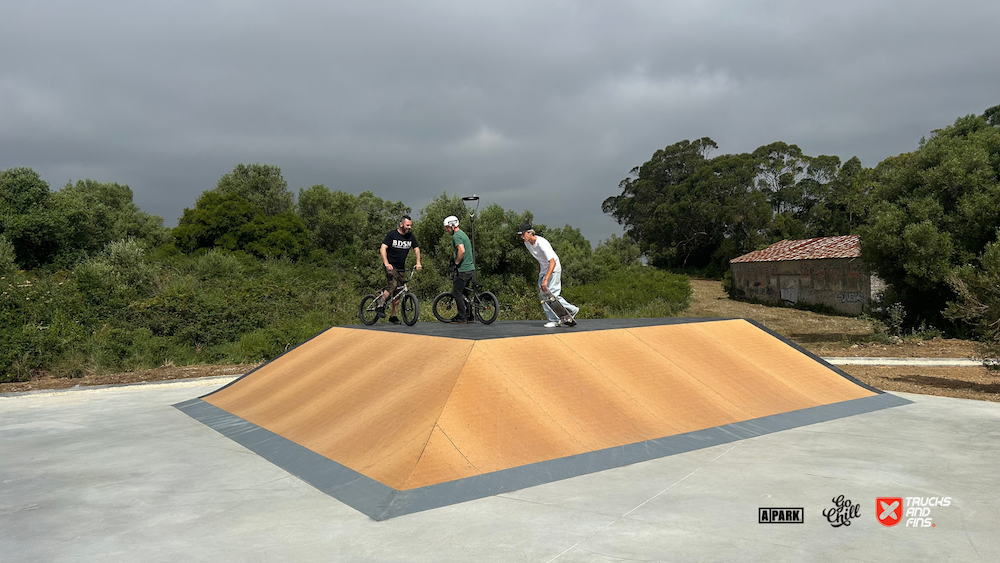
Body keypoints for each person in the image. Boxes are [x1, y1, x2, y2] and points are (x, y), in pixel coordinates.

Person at [518, 222, 578, 327]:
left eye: (523, 234)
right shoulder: (527, 244)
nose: (522, 237)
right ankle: (563, 314)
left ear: (530, 232)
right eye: (521, 235)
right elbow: (539, 259)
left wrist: (546, 279)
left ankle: (562, 315)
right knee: (544, 296)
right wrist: (541, 274)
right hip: (544, 270)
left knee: (551, 296)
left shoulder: (542, 243)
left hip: (554, 269)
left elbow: (552, 262)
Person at [377, 215, 421, 324]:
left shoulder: (410, 236)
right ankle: (380, 304)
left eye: (410, 225)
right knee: (393, 285)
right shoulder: (392, 234)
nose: (409, 227)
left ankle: (393, 316)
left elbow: (416, 249)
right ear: (401, 224)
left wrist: (418, 262)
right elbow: (383, 248)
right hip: (390, 266)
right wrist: (386, 263)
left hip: (401, 268)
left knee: (399, 291)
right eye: (407, 225)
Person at [444, 215, 475, 324]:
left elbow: (461, 251)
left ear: (453, 226)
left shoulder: (456, 236)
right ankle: (470, 315)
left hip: (464, 269)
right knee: (465, 293)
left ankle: (462, 317)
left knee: (456, 293)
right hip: (471, 269)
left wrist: (456, 263)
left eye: (447, 227)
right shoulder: (463, 234)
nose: (447, 230)